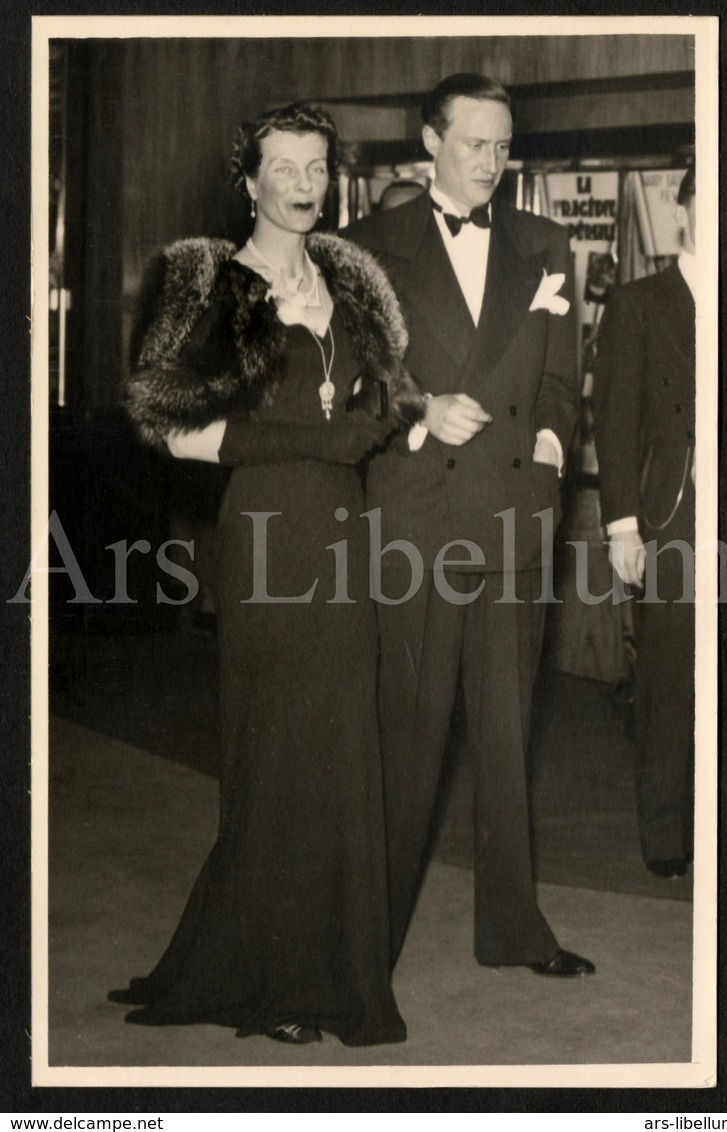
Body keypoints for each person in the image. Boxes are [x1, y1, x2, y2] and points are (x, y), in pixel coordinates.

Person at [108, 102, 425, 1046]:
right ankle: (278, 982)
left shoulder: (351, 280)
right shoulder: (208, 283)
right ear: (247, 180)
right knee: (278, 753)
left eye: (317, 166)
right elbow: (168, 428)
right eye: (282, 166)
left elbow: (387, 401)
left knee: (341, 757)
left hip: (345, 538)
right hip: (267, 536)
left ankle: (336, 974)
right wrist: (314, 438)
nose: (302, 182)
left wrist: (400, 418)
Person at [345, 73, 595, 976]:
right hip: (420, 522)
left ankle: (513, 929)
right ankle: (366, 944)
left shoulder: (547, 243)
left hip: (517, 522)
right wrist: (420, 410)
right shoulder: (369, 248)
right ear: (429, 142)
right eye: (473, 144)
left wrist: (553, 455)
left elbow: (563, 382)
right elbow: (353, 380)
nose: (491, 163)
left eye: (503, 146)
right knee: (407, 740)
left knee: (505, 737)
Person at [593, 164, 696, 879]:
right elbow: (616, 420)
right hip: (675, 519)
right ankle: (666, 839)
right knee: (667, 683)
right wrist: (622, 526)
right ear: (684, 212)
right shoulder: (639, 304)